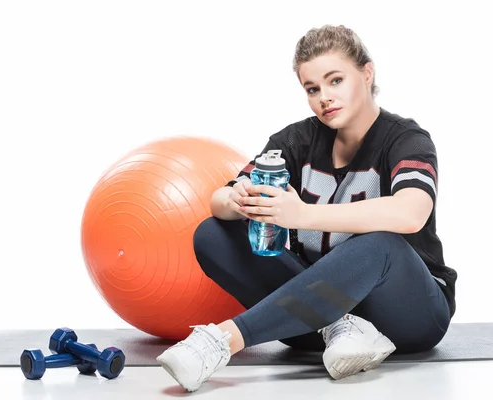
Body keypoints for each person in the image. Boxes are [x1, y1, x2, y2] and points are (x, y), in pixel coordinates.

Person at [156, 24, 457, 392]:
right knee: (212, 233)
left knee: (381, 243)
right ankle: (339, 327)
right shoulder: (297, 139)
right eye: (312, 89)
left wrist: (301, 215)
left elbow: (411, 213)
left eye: (335, 81)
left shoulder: (405, 139)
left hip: (409, 314)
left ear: (367, 73)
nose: (324, 98)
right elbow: (220, 200)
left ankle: (223, 341)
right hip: (317, 312)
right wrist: (237, 200)